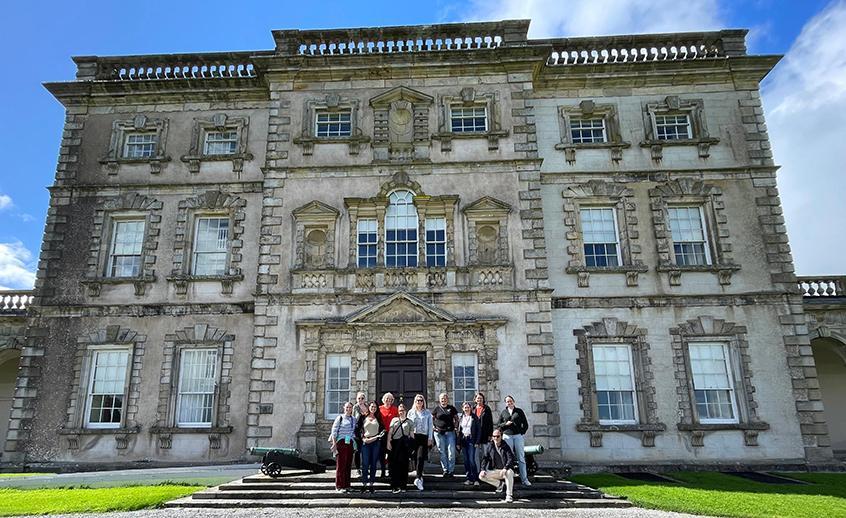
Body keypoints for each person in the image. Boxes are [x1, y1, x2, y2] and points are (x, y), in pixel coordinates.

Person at [498, 395, 531, 486]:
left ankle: (524, 479)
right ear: (505, 403)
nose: (509, 403)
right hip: (507, 436)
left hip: (517, 436)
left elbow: (525, 424)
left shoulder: (519, 411)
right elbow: (499, 425)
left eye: (511, 401)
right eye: (507, 401)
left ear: (513, 401)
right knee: (507, 457)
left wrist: (521, 432)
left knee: (521, 457)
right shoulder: (504, 412)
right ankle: (508, 478)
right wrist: (506, 424)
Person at [355, 401, 385, 494]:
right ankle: (364, 483)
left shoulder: (379, 418)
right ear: (369, 407)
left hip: (375, 442)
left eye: (375, 407)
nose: (373, 408)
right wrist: (363, 438)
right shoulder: (363, 417)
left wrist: (376, 438)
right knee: (365, 463)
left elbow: (383, 430)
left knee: (373, 463)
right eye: (372, 407)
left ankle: (371, 483)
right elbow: (357, 429)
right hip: (366, 442)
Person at [479, 429, 516, 503]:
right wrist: (482, 469)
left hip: (505, 470)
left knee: (508, 473)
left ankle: (509, 495)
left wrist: (506, 468)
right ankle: (499, 484)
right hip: (496, 470)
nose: (496, 438)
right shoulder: (490, 446)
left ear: (501, 437)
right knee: (481, 476)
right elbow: (485, 458)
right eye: (494, 436)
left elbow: (510, 458)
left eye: (497, 436)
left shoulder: (505, 446)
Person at [406, 393, 433, 490]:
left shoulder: (427, 412)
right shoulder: (411, 412)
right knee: (414, 457)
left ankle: (418, 478)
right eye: (418, 400)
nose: (419, 402)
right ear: (415, 401)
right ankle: (419, 475)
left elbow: (430, 426)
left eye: (421, 400)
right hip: (414, 436)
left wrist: (430, 438)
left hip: (423, 436)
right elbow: (408, 425)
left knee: (420, 456)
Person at [329, 401, 357, 492]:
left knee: (348, 465)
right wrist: (334, 443)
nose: (348, 409)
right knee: (341, 465)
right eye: (347, 407)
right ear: (344, 408)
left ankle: (347, 485)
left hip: (350, 443)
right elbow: (334, 431)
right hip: (341, 442)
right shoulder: (340, 418)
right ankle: (340, 485)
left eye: (350, 407)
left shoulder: (354, 419)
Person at [387, 402, 414, 493]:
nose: (401, 412)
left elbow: (412, 435)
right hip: (395, 443)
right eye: (399, 411)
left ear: (406, 411)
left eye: (402, 410)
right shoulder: (394, 420)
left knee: (404, 465)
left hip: (404, 445)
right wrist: (388, 443)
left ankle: (403, 486)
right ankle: (395, 486)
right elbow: (390, 432)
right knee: (395, 466)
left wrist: (412, 447)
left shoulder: (410, 422)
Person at [432, 392, 459, 477]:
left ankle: (451, 470)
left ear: (447, 399)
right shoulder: (436, 409)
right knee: (442, 451)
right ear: (439, 400)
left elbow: (457, 419)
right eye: (442, 398)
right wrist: (434, 427)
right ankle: (445, 469)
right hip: (439, 433)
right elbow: (431, 419)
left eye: (445, 398)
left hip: (450, 432)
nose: (443, 400)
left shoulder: (451, 408)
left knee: (451, 451)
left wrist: (455, 428)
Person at [457, 401, 481, 486]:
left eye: (468, 407)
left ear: (471, 408)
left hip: (471, 440)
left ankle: (475, 478)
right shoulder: (461, 418)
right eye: (465, 407)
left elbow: (478, 430)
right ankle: (468, 478)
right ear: (463, 409)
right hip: (464, 440)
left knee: (471, 459)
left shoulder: (474, 418)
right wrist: (458, 443)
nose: (467, 409)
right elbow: (459, 431)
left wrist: (477, 442)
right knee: (466, 460)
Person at [378, 392, 399, 478]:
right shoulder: (379, 408)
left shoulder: (395, 409)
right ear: (383, 400)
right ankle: (383, 470)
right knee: (382, 453)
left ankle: (391, 471)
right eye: (387, 399)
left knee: (391, 453)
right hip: (382, 433)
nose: (388, 401)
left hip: (392, 433)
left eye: (390, 399)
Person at [474, 392, 494, 472]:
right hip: (475, 435)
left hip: (485, 434)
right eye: (478, 398)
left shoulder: (487, 409)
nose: (479, 400)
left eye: (481, 398)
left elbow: (490, 422)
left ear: (483, 399)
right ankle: (478, 470)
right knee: (475, 455)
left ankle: (485, 470)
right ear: (475, 399)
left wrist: (490, 434)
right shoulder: (473, 408)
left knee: (485, 454)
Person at [352, 391, 368, 476]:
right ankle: (358, 469)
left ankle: (365, 468)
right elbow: (354, 419)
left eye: (362, 398)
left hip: (367, 432)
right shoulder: (355, 408)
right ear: (356, 399)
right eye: (359, 398)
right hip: (357, 432)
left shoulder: (368, 408)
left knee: (366, 451)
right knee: (357, 452)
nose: (361, 400)